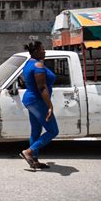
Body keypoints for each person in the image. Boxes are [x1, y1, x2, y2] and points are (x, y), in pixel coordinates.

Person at [19, 41, 59, 169]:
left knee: (36, 130)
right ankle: (29, 152)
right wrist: (50, 106)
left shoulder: (28, 63)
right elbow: (42, 88)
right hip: (37, 101)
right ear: (35, 51)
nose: (44, 51)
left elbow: (22, 79)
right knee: (53, 130)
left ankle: (34, 160)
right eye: (42, 49)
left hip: (30, 100)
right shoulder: (38, 66)